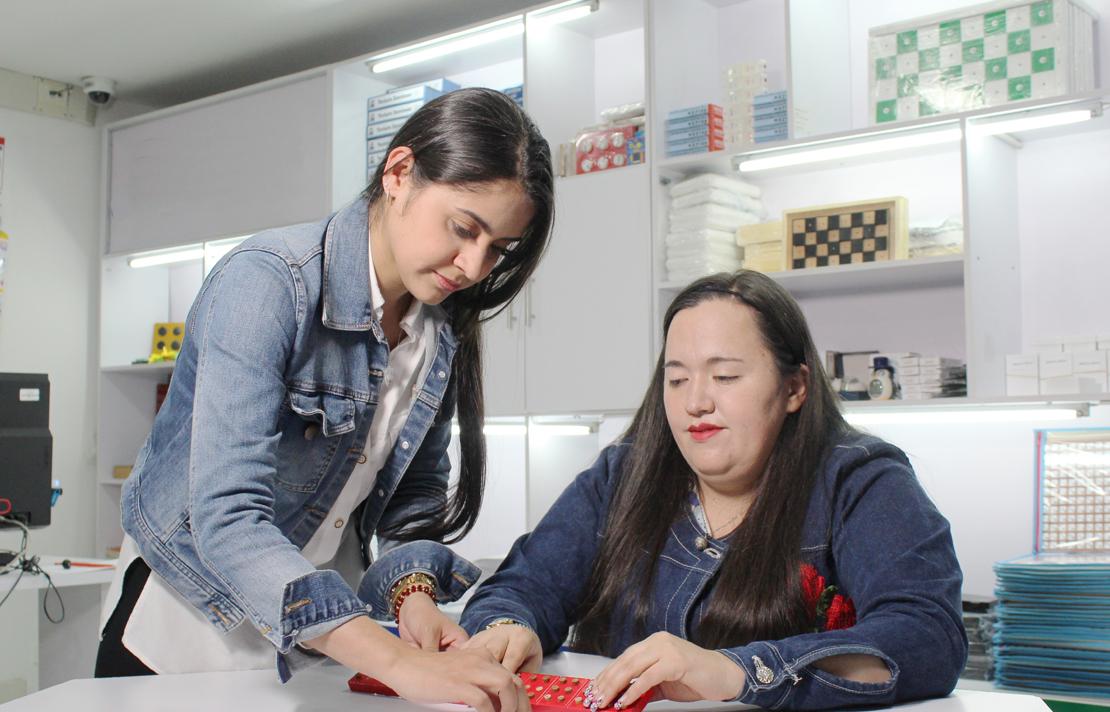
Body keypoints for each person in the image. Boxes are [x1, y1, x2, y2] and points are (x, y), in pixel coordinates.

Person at [95, 87, 553, 712]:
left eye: (497, 249)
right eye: (462, 228)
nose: (473, 266)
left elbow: (410, 498)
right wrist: (393, 660)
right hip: (183, 636)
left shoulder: (439, 330)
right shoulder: (265, 282)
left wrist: (412, 597)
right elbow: (228, 519)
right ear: (399, 173)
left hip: (321, 648)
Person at [459, 271, 968, 711]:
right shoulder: (625, 473)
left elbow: (927, 637)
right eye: (677, 380)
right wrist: (509, 625)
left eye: (725, 376)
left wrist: (738, 672)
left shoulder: (860, 481)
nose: (696, 402)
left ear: (795, 388)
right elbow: (528, 584)